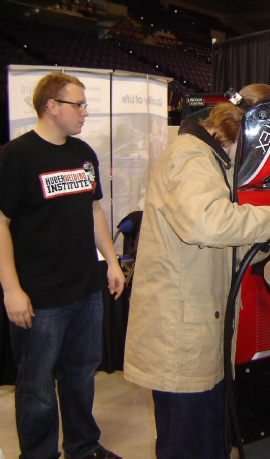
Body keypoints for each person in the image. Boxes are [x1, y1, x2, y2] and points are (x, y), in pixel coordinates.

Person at [123, 83, 270, 458]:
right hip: (181, 340)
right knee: (186, 446)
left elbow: (226, 247)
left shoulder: (213, 161)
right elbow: (207, 224)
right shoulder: (190, 156)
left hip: (204, 335)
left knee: (213, 443)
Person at [0, 72, 125, 458]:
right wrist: (11, 289)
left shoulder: (83, 152)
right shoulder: (16, 155)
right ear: (51, 106)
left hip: (85, 288)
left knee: (80, 377)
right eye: (79, 104)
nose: (86, 112)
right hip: (40, 295)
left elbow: (94, 211)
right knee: (36, 387)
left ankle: (82, 446)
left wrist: (112, 261)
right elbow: (0, 223)